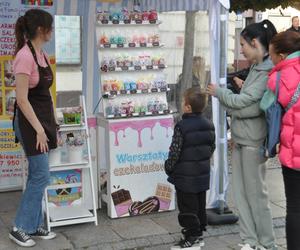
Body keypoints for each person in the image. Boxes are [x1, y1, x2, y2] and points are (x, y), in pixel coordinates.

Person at [207, 20, 278, 250]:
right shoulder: (257, 70)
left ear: (255, 43)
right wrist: (235, 103)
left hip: (252, 143)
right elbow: (242, 106)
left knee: (257, 197)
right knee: (240, 195)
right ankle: (250, 240)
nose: (241, 49)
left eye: (243, 44)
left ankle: (266, 243)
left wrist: (221, 94)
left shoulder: (267, 71)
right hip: (241, 140)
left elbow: (248, 106)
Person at [9, 9, 57, 247]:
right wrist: (39, 129)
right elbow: (21, 99)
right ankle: (20, 227)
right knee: (40, 175)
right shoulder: (24, 56)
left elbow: (44, 93)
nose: (52, 31)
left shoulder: (42, 53)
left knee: (40, 175)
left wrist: (52, 122)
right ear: (41, 30)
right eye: (50, 27)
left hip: (42, 121)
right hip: (29, 123)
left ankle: (34, 224)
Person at [165, 87, 215, 249]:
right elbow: (211, 147)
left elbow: (175, 151)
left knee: (187, 207)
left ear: (188, 107)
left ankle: (191, 235)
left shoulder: (181, 126)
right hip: (201, 174)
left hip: (185, 177)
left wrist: (169, 167)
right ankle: (198, 233)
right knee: (199, 205)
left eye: (182, 102)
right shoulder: (209, 124)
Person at [268, 31, 300, 250]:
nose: (270, 59)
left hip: (293, 154)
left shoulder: (277, 78)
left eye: (271, 55)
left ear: (281, 55)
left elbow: (266, 108)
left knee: (295, 209)